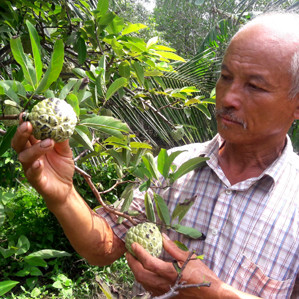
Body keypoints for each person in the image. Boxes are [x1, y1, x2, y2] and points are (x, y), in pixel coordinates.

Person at [12, 12, 299, 298]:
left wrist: (215, 295)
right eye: (225, 77)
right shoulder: (172, 166)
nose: (227, 97)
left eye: (255, 86)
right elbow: (105, 246)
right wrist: (62, 195)